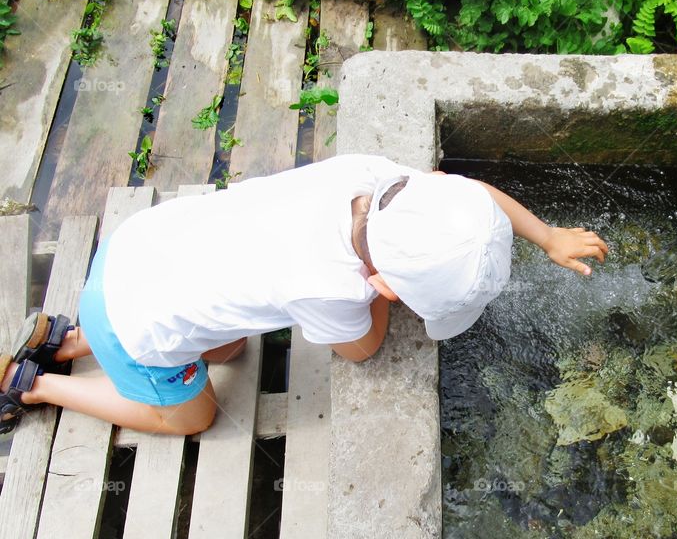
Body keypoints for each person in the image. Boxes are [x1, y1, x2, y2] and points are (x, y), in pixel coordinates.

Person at [0, 154, 608, 436]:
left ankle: (68, 337)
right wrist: (373, 298)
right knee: (195, 414)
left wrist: (546, 235)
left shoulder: (375, 177)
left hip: (133, 249)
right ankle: (38, 384)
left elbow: (466, 191)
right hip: (131, 326)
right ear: (388, 287)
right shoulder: (331, 288)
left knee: (231, 345)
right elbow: (362, 350)